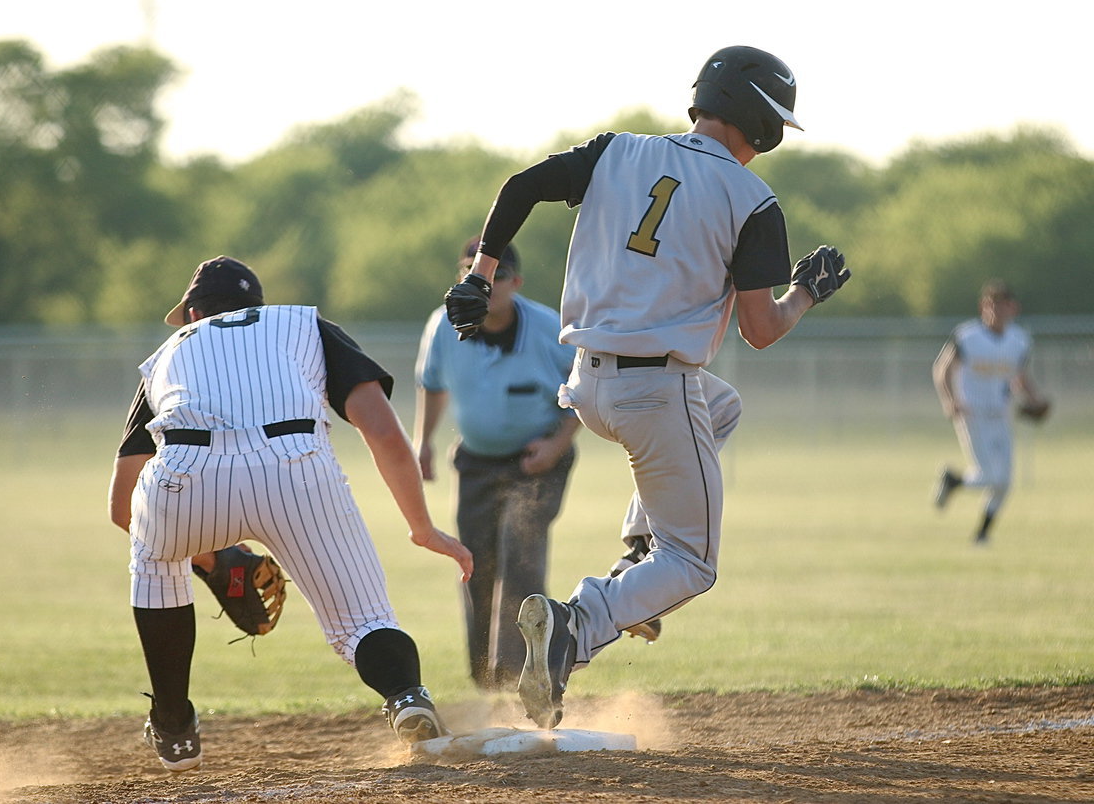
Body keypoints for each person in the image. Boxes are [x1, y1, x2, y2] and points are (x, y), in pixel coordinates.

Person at [443, 45, 851, 729]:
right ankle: (577, 621)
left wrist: (480, 274)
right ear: (761, 121)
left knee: (722, 405)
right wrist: (806, 292)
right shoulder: (752, 198)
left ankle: (638, 547)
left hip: (588, 383)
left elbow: (519, 186)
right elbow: (759, 327)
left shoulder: (617, 150)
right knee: (693, 564)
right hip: (654, 393)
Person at [107, 255, 473, 771]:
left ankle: (173, 725)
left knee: (153, 559)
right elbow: (383, 431)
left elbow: (122, 506)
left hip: (184, 475)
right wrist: (422, 527)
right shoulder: (302, 323)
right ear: (258, 305)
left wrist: (210, 558)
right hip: (296, 467)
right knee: (364, 622)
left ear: (191, 315)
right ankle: (407, 696)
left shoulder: (166, 357)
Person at [414, 236, 581, 690]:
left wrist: (558, 444)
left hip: (536, 460)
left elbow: (585, 388)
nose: (486, 285)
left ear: (516, 282)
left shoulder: (548, 327)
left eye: (497, 275)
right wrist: (423, 442)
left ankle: (522, 673)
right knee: (474, 565)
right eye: (474, 273)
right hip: (476, 462)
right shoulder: (444, 325)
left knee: (519, 556)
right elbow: (431, 383)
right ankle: (486, 679)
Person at [931, 279, 1048, 544]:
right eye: (990, 305)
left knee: (1004, 483)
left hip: (1001, 415)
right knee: (987, 476)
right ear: (983, 307)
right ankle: (952, 481)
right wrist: (950, 400)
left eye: (1002, 305)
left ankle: (981, 534)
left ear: (1012, 308)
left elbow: (1019, 377)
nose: (996, 311)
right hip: (972, 413)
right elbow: (942, 369)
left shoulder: (1018, 340)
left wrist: (1035, 399)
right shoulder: (968, 336)